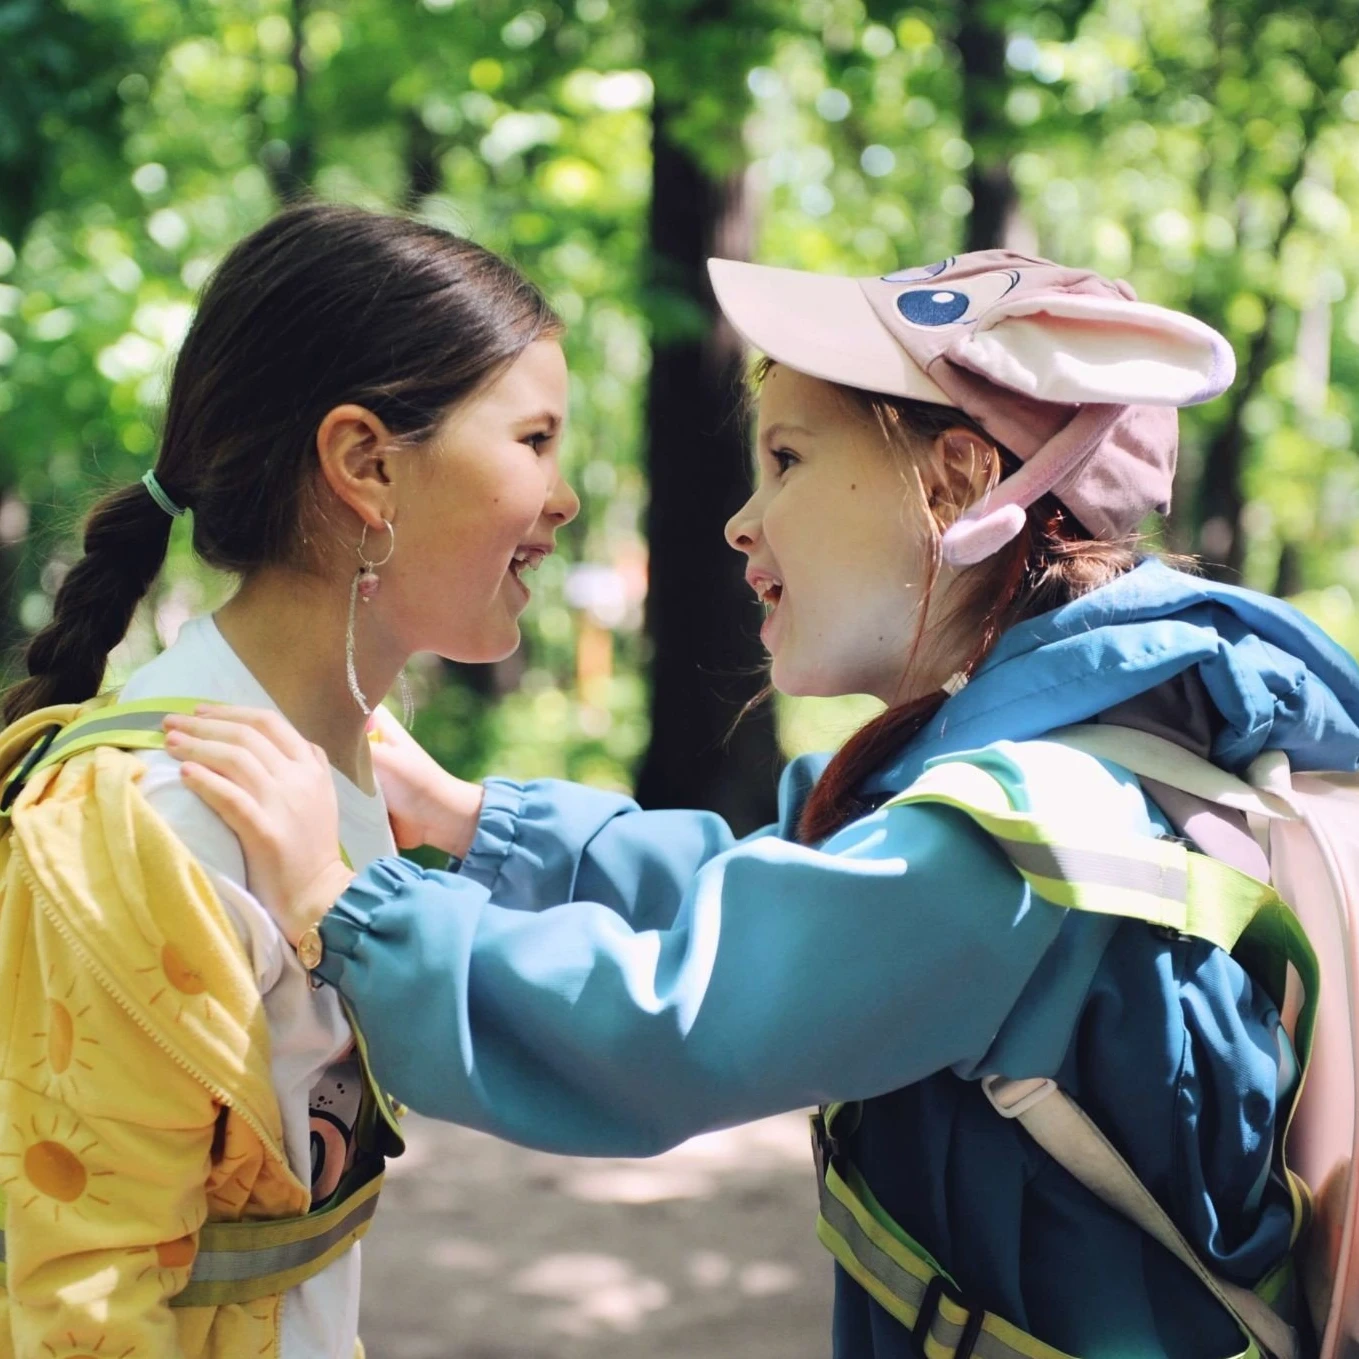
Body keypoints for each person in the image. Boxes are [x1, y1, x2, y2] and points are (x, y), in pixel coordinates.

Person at [160, 252, 1359, 1359]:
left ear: (957, 483)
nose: (742, 519)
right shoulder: (1090, 751)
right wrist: (477, 821)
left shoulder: (1024, 835)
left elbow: (668, 1025)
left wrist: (343, 902)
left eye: (786, 460)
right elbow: (783, 890)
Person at [0, 200, 578, 1359]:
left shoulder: (346, 760)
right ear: (368, 464)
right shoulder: (161, 820)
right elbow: (82, 1297)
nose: (562, 498)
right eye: (534, 442)